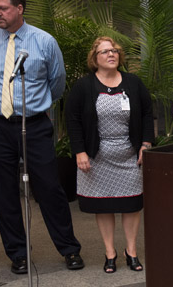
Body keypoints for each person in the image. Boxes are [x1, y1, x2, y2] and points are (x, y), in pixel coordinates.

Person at [0, 0, 83, 274]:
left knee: (49, 188)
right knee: (2, 191)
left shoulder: (44, 41)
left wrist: (33, 104)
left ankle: (69, 249)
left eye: (3, 8)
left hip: (35, 124)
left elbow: (56, 83)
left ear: (19, 9)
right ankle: (18, 254)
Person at [66, 37, 154, 273]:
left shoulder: (134, 83)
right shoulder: (84, 86)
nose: (111, 54)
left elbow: (147, 113)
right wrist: (80, 151)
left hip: (128, 156)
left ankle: (131, 251)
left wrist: (145, 144)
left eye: (114, 51)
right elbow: (72, 119)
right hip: (97, 157)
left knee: (131, 205)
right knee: (103, 206)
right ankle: (110, 252)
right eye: (105, 52)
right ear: (95, 59)